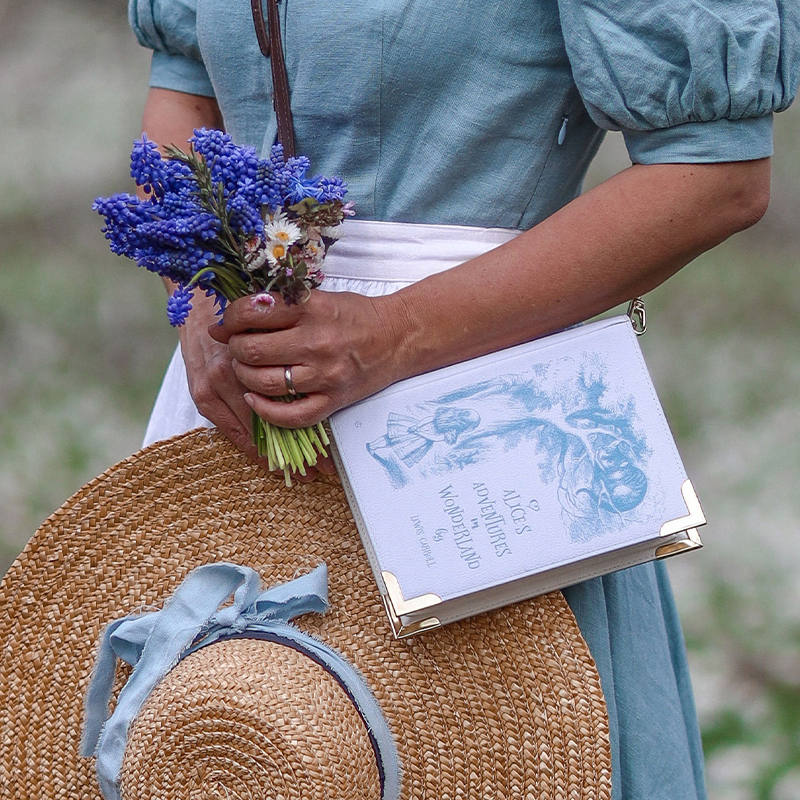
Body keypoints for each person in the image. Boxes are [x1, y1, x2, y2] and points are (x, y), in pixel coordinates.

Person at [129, 0, 798, 797]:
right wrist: (199, 296)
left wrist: (394, 333)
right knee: (232, 748)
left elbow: (714, 175)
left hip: (474, 410)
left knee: (490, 760)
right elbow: (185, 90)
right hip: (238, 403)